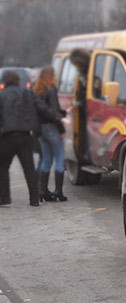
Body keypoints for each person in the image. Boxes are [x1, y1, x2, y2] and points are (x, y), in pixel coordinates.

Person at [0, 70, 61, 206]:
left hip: (7, 137)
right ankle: (34, 199)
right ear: (17, 80)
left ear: (4, 81)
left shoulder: (2, 95)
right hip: (26, 135)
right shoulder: (27, 93)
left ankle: (4, 197)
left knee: (3, 166)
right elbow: (42, 108)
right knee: (29, 168)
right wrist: (58, 118)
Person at [33, 66, 68, 202]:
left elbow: (42, 110)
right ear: (51, 76)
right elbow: (53, 111)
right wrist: (62, 129)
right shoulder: (51, 90)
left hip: (41, 129)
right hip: (52, 127)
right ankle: (58, 191)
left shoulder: (37, 90)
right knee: (59, 159)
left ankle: (43, 190)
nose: (55, 77)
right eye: (54, 74)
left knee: (46, 159)